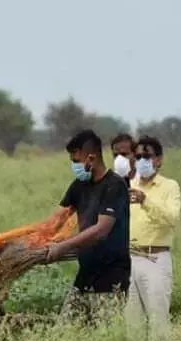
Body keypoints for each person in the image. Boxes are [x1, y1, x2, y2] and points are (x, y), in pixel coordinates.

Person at [46, 129, 131, 323]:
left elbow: (101, 230)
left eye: (76, 161)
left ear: (91, 157)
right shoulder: (78, 186)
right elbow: (56, 221)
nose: (74, 166)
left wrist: (63, 246)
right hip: (84, 277)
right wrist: (33, 239)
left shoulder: (115, 186)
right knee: (64, 335)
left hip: (110, 280)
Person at [125, 136, 181, 341]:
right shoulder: (128, 184)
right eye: (137, 157)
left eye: (146, 156)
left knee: (158, 320)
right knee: (131, 324)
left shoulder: (169, 187)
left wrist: (146, 201)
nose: (142, 161)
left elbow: (172, 220)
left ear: (158, 160)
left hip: (155, 259)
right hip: (129, 259)